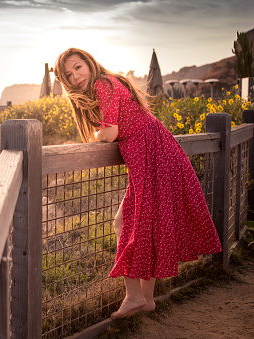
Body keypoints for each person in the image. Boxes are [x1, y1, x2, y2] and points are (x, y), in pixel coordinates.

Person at [53, 47, 222, 319]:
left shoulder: (102, 83)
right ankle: (146, 299)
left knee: (125, 223)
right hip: (153, 152)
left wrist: (97, 135)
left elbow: (110, 133)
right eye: (68, 75)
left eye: (78, 67)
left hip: (152, 153)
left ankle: (134, 297)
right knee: (147, 223)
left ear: (89, 63)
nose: (75, 77)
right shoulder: (106, 83)